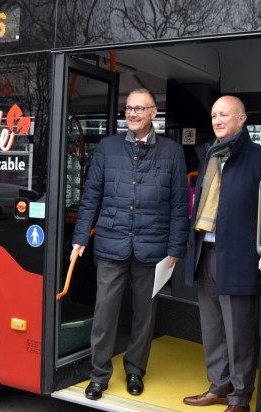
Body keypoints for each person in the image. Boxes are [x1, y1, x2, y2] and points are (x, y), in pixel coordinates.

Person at [70, 88, 188, 400]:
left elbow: (179, 204)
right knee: (105, 312)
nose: (132, 113)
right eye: (129, 109)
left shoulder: (172, 152)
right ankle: (99, 374)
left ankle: (136, 370)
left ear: (153, 114)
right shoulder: (108, 148)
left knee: (144, 315)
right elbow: (90, 196)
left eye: (139, 108)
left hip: (153, 248)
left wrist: (177, 248)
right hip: (111, 243)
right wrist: (81, 237)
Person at [182, 96, 261, 412]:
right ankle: (218, 386)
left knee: (240, 330)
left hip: (240, 256)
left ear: (242, 118)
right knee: (213, 327)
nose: (217, 120)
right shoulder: (209, 155)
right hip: (204, 250)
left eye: (224, 115)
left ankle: (240, 397)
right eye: (214, 115)